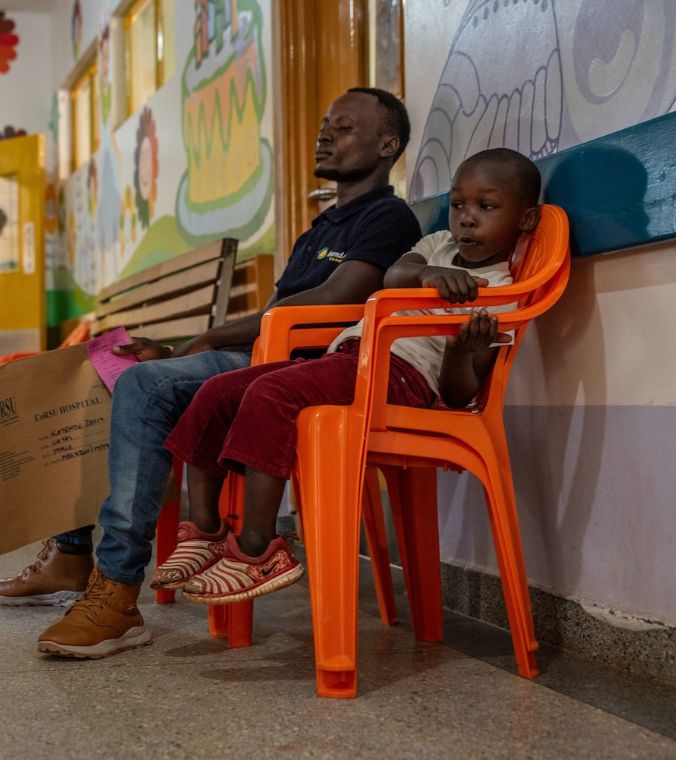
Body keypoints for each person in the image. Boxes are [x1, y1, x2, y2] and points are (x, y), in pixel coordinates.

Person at [22, 87, 423, 658]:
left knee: (142, 385)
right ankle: (70, 552)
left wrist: (205, 340)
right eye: (325, 124)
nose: (325, 134)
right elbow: (276, 311)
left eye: (345, 127)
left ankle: (115, 591)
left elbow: (336, 298)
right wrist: (184, 347)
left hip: (298, 367)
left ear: (387, 145)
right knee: (102, 372)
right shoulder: (319, 228)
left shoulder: (388, 217)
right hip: (261, 355)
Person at [159, 148, 542, 604]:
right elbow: (395, 275)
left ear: (526, 219)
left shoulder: (498, 294)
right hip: (351, 359)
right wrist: (429, 275)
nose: (467, 218)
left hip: (402, 379)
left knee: (270, 393)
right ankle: (205, 529)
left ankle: (260, 548)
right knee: (217, 391)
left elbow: (459, 395)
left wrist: (461, 351)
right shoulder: (438, 244)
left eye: (487, 206)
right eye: (459, 204)